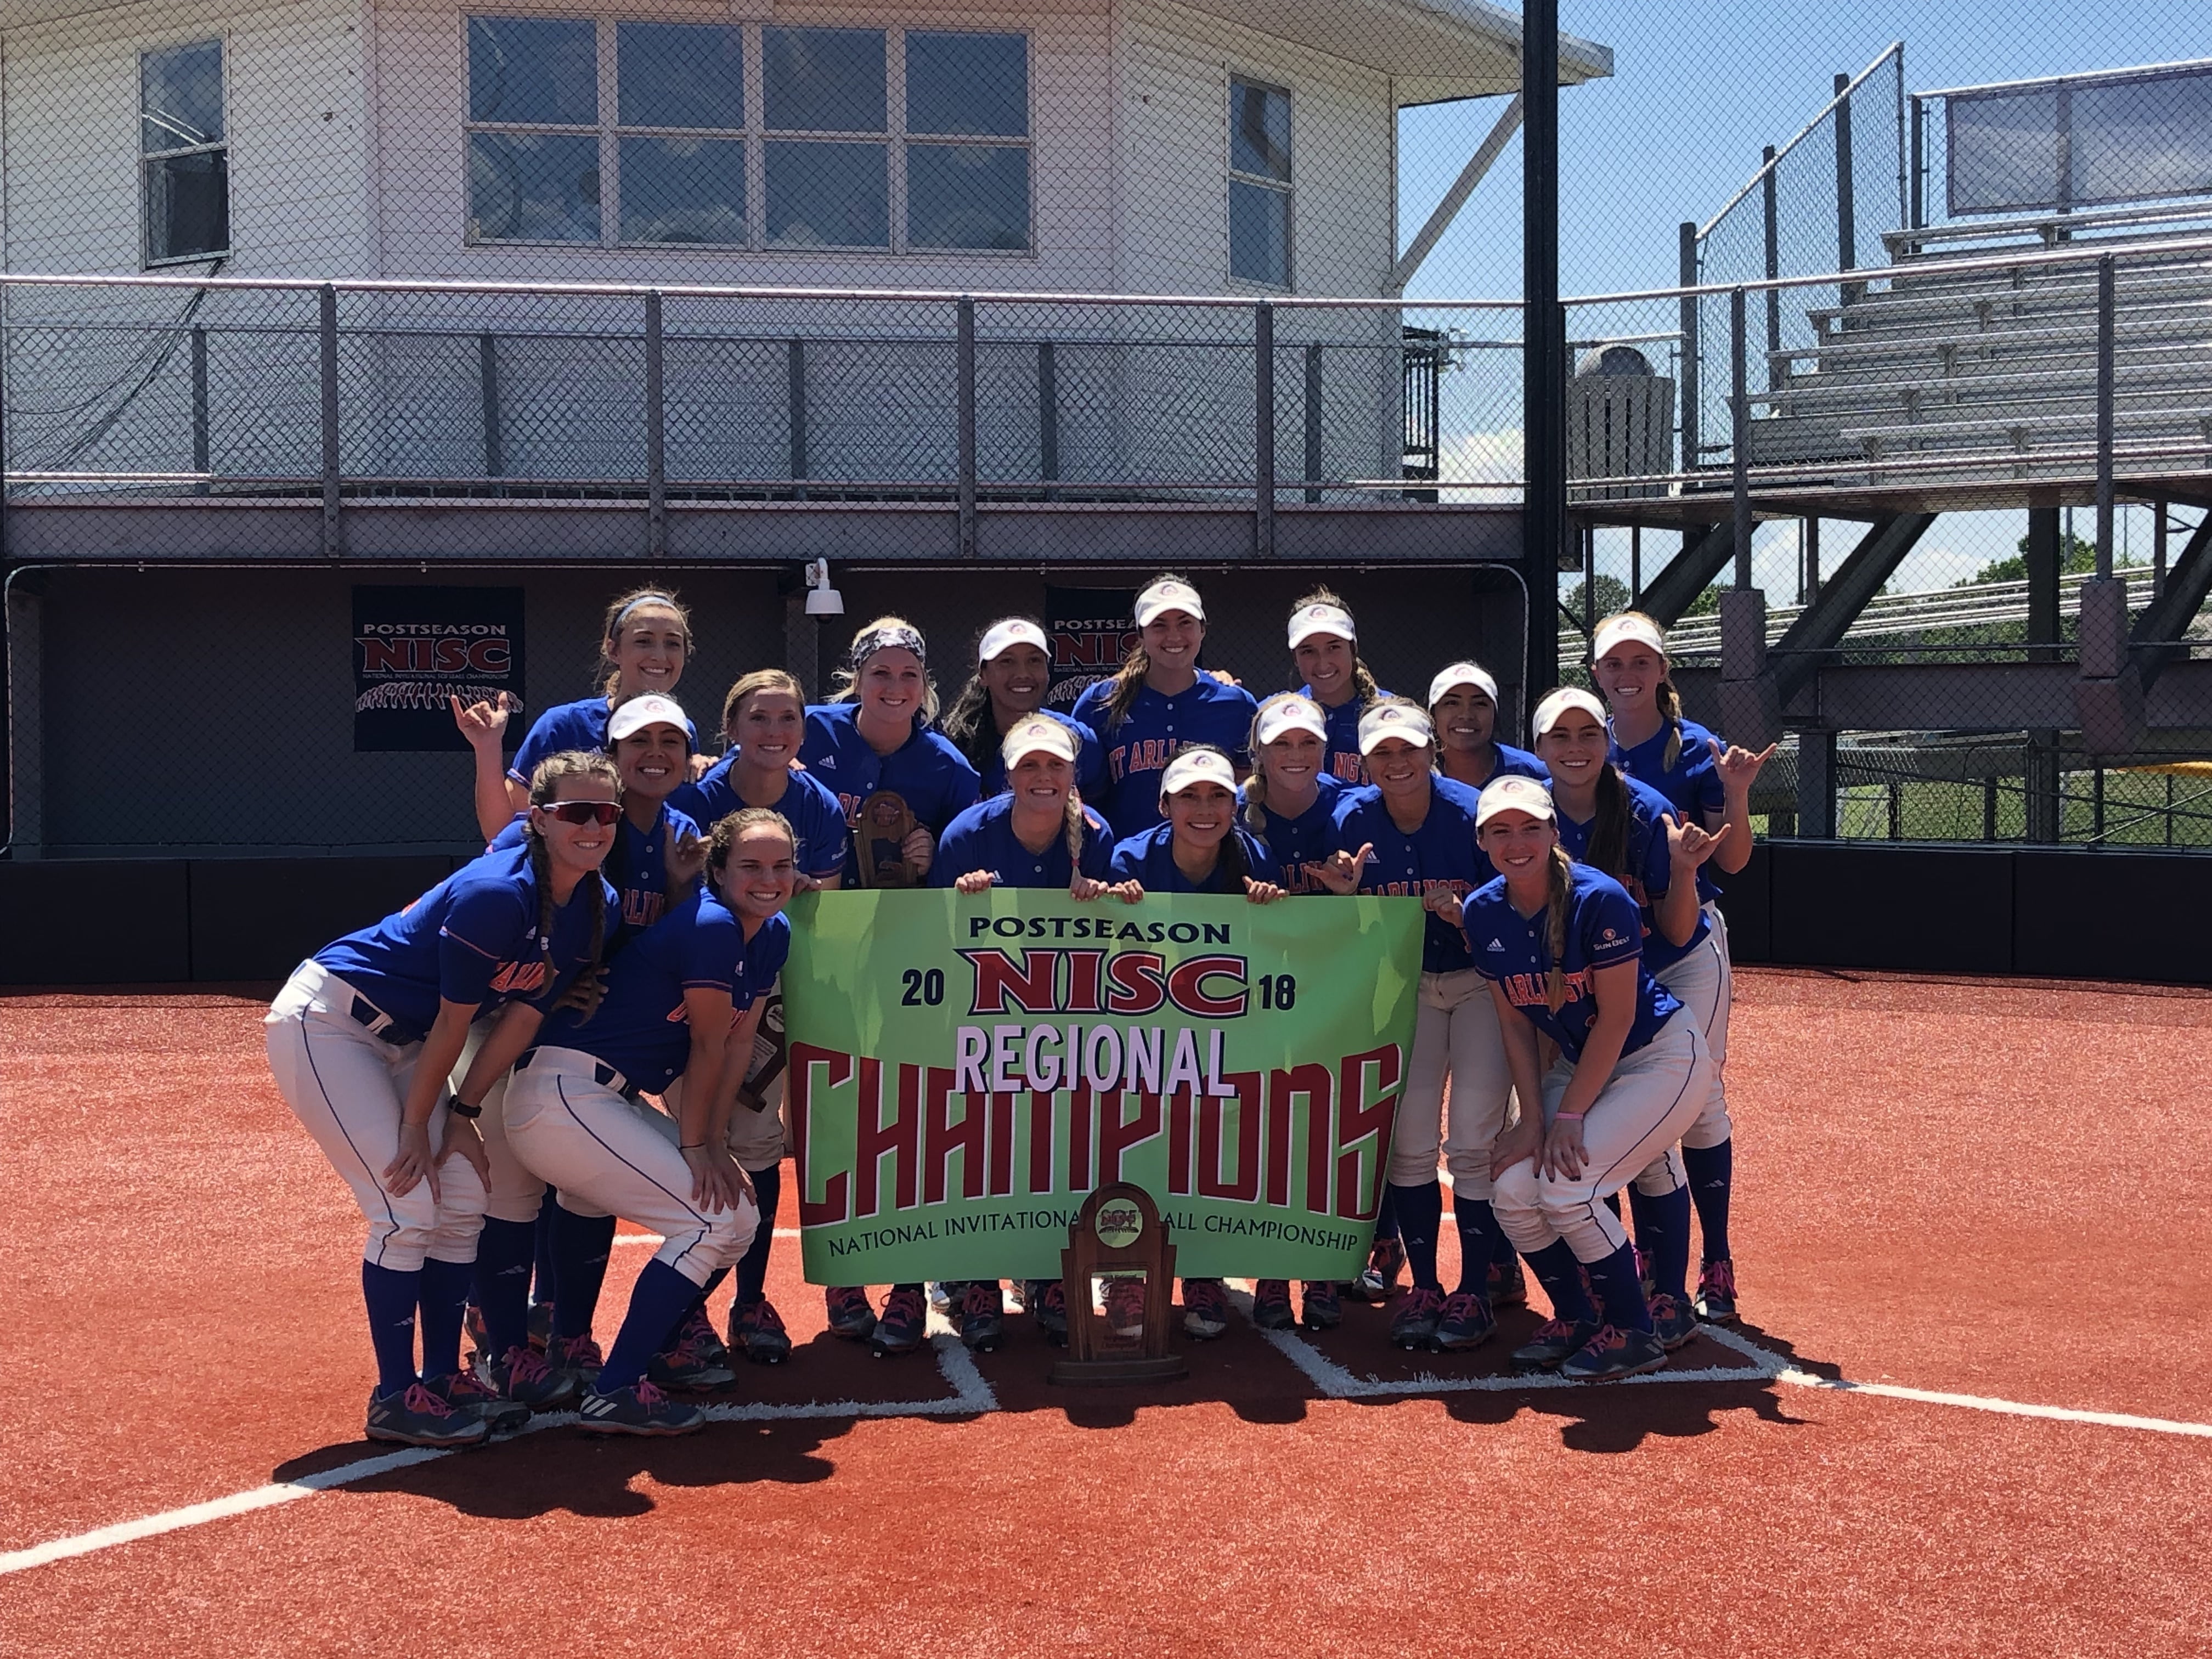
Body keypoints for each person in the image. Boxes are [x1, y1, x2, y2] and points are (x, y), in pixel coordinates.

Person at [263, 751, 620, 1447]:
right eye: (576, 813)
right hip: (332, 1022)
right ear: (540, 820)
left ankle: (442, 1377)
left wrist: (460, 1119)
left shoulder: (591, 903)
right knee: (404, 1203)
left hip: (407, 1044)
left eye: (605, 814)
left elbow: (521, 1016)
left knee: (461, 1192)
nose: (594, 826)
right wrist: (420, 1125)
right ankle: (395, 1396)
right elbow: (457, 1023)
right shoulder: (496, 892)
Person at [485, 808, 794, 1435]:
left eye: (782, 865)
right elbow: (707, 1048)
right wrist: (700, 1146)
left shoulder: (773, 931)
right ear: (719, 872)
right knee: (721, 1218)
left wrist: (716, 1142)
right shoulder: (711, 925)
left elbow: (737, 1047)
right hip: (565, 1095)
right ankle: (620, 1383)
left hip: (598, 1098)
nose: (769, 878)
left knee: (715, 1217)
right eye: (751, 866)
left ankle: (605, 1345)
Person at [471, 695, 707, 1384]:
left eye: (672, 739)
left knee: (586, 1194)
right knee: (509, 1191)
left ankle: (569, 1335)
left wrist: (680, 883)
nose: (654, 753)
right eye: (639, 741)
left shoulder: (684, 832)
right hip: (506, 1024)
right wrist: (546, 983)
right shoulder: (549, 830)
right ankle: (505, 1346)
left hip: (591, 1045)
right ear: (613, 753)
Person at [1464, 776, 1714, 1382]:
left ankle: (1632, 1330)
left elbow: (1620, 1017)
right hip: (1585, 1066)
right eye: (1500, 830)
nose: (1515, 841)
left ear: (1553, 832)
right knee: (1514, 1189)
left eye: (1530, 827)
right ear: (1482, 840)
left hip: (1660, 1059)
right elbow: (1516, 1026)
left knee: (1567, 1187)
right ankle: (1578, 1316)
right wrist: (1532, 1121)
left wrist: (1567, 1116)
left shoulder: (1599, 898)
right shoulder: (1483, 911)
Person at [1529, 687, 1729, 1351]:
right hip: (1589, 982)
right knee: (1600, 1122)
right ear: (1539, 749)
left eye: (1588, 733)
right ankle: (1612, 1275)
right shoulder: (1529, 813)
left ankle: (1671, 1285)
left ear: (1607, 741)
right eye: (1560, 737)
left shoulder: (1645, 809)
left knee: (1664, 1126)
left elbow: (1677, 929)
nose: (1575, 747)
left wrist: (1681, 870)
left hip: (1670, 965)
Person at [803, 618, 981, 1353]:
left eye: (909, 675)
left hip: (908, 958)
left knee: (910, 1115)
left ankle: (909, 1285)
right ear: (857, 677)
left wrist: (933, 849)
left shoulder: (946, 765)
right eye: (881, 673)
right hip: (820, 950)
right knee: (832, 1112)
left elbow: (963, 864)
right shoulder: (810, 732)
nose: (896, 688)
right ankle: (846, 1270)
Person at [1588, 611, 1773, 1322]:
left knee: (1696, 1102)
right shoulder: (1581, 743)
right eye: (1615, 664)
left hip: (1687, 949)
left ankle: (1716, 1259)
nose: (1628, 675)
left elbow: (1732, 862)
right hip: (1611, 956)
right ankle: (1651, 1254)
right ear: (1597, 673)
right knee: (1630, 1098)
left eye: (1641, 662)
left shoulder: (1695, 749)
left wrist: (1734, 795)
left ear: (1663, 670)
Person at [933, 715, 1139, 1349]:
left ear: (1074, 775)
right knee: (976, 1147)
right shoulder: (968, 834)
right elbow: (934, 938)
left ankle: (1047, 1274)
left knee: (1057, 1145)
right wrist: (961, 901)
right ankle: (972, 1282)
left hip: (1064, 1021)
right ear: (1008, 774)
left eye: (1055, 766)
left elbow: (1120, 939)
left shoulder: (1097, 834)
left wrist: (1112, 898)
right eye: (1030, 766)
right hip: (981, 1016)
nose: (1043, 777)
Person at [1314, 700, 1508, 1353]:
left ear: (1431, 751)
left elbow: (1519, 906)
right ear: (1365, 762)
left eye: (1408, 750)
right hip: (1408, 989)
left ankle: (1476, 1287)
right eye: (1383, 754)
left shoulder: (1470, 811)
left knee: (1474, 1139)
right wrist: (1346, 902)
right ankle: (1426, 1284)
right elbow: (1348, 934)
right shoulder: (1352, 817)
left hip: (1479, 984)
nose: (1397, 764)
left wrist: (1471, 917)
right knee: (1411, 1139)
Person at [667, 669, 848, 1364]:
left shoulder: (821, 805)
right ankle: (676, 1310)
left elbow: (817, 908)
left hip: (769, 983)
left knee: (756, 1142)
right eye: (760, 719)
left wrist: (802, 890)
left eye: (788, 721)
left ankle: (747, 1299)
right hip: (691, 985)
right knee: (686, 1141)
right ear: (731, 727)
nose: (775, 734)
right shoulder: (697, 795)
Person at [1108, 747, 1283, 1341]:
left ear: (1236, 805)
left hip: (1222, 1032)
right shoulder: (1131, 857)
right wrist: (1112, 901)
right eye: (1190, 796)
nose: (1205, 809)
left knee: (1215, 1151)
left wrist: (1269, 909)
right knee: (1138, 1147)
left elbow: (1277, 949)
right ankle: (1128, 1272)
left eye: (1218, 797)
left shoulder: (1254, 856)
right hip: (1144, 1033)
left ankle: (1206, 1272)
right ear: (1165, 805)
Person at [1236, 693, 1347, 1333]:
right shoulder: (1233, 811)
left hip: (1336, 985)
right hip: (1259, 991)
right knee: (1266, 1126)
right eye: (1282, 744)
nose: (1296, 755)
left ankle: (1325, 1265)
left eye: (1308, 743)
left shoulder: (1349, 806)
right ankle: (1272, 1269)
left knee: (1326, 1126)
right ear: (1260, 752)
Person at [456, 588, 698, 844]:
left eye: (673, 643)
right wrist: (487, 748)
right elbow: (501, 832)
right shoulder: (563, 725)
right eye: (643, 641)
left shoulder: (683, 729)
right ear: (613, 650)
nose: (659, 656)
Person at [1073, 576, 1260, 838]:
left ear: (1202, 629)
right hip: (1122, 864)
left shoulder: (1236, 704)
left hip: (1212, 863)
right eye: (1159, 626)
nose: (1174, 636)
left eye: (1185, 623)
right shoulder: (1101, 702)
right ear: (1140, 634)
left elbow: (1247, 792)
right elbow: (1078, 792)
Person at [939, 617, 1107, 798]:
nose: (1023, 674)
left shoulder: (1078, 740)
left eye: (1034, 660)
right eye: (1007, 662)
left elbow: (1097, 817)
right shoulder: (956, 745)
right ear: (983, 675)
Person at [1286, 591, 1386, 784]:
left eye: (1334, 648)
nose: (1323, 663)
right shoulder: (1278, 715)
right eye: (1308, 651)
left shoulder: (1390, 714)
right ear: (1295, 659)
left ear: (1353, 649)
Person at [1428, 662, 1548, 791]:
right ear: (1433, 714)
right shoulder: (1417, 775)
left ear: (1495, 714)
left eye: (1480, 703)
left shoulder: (1535, 774)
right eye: (1452, 703)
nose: (1466, 715)